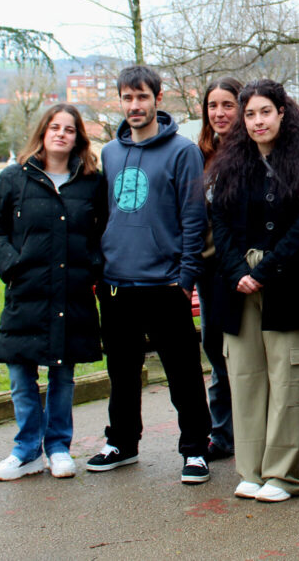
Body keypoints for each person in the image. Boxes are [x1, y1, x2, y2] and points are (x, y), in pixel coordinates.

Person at [85, 65, 215, 485]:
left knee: (183, 374)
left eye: (142, 97)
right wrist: (102, 272)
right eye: (127, 98)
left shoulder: (182, 152)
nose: (135, 105)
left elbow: (193, 218)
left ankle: (195, 449)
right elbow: (105, 213)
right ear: (120, 102)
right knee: (122, 372)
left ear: (158, 99)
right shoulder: (109, 153)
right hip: (118, 284)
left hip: (166, 284)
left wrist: (186, 277)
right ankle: (122, 443)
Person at [208, 79, 299, 503]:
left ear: (282, 112)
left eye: (265, 111)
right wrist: (239, 270)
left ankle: (284, 475)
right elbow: (218, 223)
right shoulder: (229, 163)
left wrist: (267, 270)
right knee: (245, 378)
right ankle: (252, 470)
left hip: (290, 283)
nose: (258, 121)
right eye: (250, 114)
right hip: (237, 286)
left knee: (289, 380)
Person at [0, 103, 106, 481]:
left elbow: (103, 231)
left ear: (78, 137)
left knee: (63, 375)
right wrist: (11, 265)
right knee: (21, 375)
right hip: (27, 292)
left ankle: (58, 447)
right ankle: (26, 449)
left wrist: (91, 265)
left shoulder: (91, 183)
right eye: (54, 127)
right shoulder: (15, 179)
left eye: (69, 128)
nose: (61, 134)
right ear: (43, 132)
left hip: (72, 292)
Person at [195, 76, 244, 461]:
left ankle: (252, 430)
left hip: (246, 270)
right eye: (213, 105)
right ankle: (222, 433)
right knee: (215, 349)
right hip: (210, 269)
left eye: (227, 104)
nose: (220, 113)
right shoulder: (200, 155)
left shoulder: (254, 152)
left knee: (247, 351)